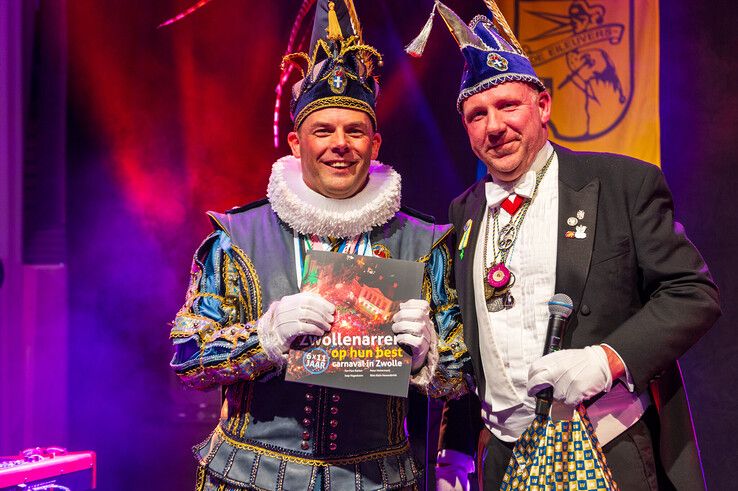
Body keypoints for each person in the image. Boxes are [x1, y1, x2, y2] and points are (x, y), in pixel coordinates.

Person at [407, 2, 721, 490]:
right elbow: (470, 343)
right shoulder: (462, 212)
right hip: (503, 460)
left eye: (508, 106)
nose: (494, 126)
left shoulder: (622, 183)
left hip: (606, 449)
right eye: (477, 115)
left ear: (543, 105)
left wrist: (608, 358)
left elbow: (693, 294)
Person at [168, 2, 472, 490]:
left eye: (354, 131)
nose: (340, 144)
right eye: (322, 131)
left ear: (374, 145)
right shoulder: (236, 236)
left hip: (376, 479)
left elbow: (458, 377)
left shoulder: (421, 241)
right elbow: (187, 357)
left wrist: (427, 356)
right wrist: (262, 338)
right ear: (295, 143)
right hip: (252, 480)